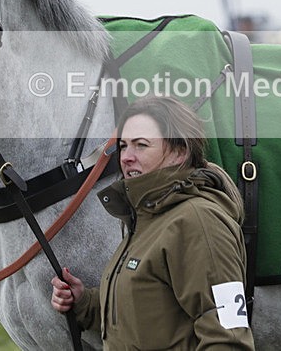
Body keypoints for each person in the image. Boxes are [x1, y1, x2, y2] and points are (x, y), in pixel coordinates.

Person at [51, 96, 254, 349]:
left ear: (180, 152)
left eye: (141, 145)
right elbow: (146, 312)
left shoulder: (199, 222)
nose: (126, 157)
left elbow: (228, 339)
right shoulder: (146, 217)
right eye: (123, 146)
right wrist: (84, 303)